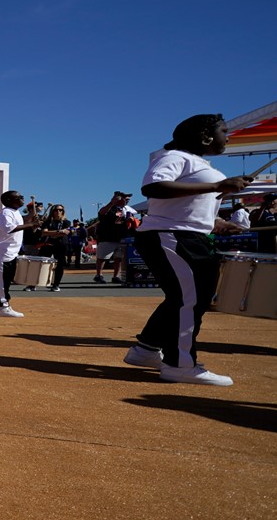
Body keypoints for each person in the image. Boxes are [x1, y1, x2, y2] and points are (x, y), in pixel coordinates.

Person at [121, 114, 252, 386]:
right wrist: (218, 185)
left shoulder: (197, 163)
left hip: (184, 235)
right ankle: (180, 365)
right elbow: (153, 187)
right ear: (204, 136)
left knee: (183, 297)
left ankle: (145, 350)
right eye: (223, 132)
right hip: (173, 237)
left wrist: (217, 223)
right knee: (190, 300)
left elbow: (188, 208)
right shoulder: (175, 157)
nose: (227, 137)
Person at [0, 190, 40, 318]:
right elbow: (9, 228)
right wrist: (31, 224)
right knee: (3, 280)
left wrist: (31, 218)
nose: (22, 198)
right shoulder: (5, 213)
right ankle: (3, 306)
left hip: (8, 251)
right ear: (9, 200)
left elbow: (20, 222)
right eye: (19, 197)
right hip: (2, 252)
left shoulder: (14, 212)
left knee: (4, 279)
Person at [92, 191, 138, 284]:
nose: (127, 201)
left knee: (119, 258)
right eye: (125, 199)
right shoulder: (110, 208)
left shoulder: (127, 210)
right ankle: (99, 275)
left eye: (128, 200)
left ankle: (115, 276)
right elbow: (101, 213)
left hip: (122, 237)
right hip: (107, 237)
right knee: (102, 257)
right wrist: (111, 202)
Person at [37, 203, 72, 291]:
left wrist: (51, 232)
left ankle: (56, 285)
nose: (58, 212)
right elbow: (44, 232)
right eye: (56, 210)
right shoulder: (47, 222)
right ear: (52, 211)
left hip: (61, 245)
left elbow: (65, 233)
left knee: (59, 265)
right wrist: (58, 231)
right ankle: (34, 284)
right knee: (42, 264)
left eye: (60, 210)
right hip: (48, 244)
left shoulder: (66, 222)